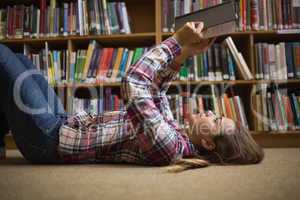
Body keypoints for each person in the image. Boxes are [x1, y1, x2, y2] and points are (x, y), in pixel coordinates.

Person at [0, 22, 264, 171]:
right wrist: (184, 53)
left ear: (207, 143)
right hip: (64, 122)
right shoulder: (177, 135)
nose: (209, 112)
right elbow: (155, 92)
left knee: (3, 58)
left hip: (48, 140)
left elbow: (134, 84)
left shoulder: (170, 148)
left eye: (215, 119)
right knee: (21, 61)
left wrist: (174, 40)